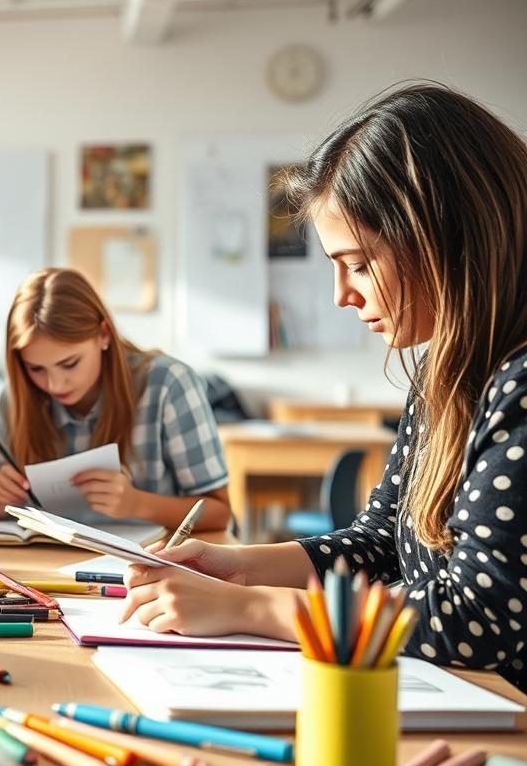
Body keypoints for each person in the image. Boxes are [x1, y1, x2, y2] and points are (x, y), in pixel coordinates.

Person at [122, 83, 527, 694]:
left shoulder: (518, 384)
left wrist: (252, 607)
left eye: (359, 264)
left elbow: (478, 616)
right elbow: (379, 543)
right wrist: (238, 567)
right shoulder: (443, 371)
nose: (342, 295)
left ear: (444, 236)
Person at [0, 268, 231, 530]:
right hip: (46, 554)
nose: (54, 384)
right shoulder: (16, 396)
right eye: (36, 368)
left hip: (152, 553)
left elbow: (220, 513)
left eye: (69, 363)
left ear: (104, 334)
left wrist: (137, 504)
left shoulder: (168, 384)